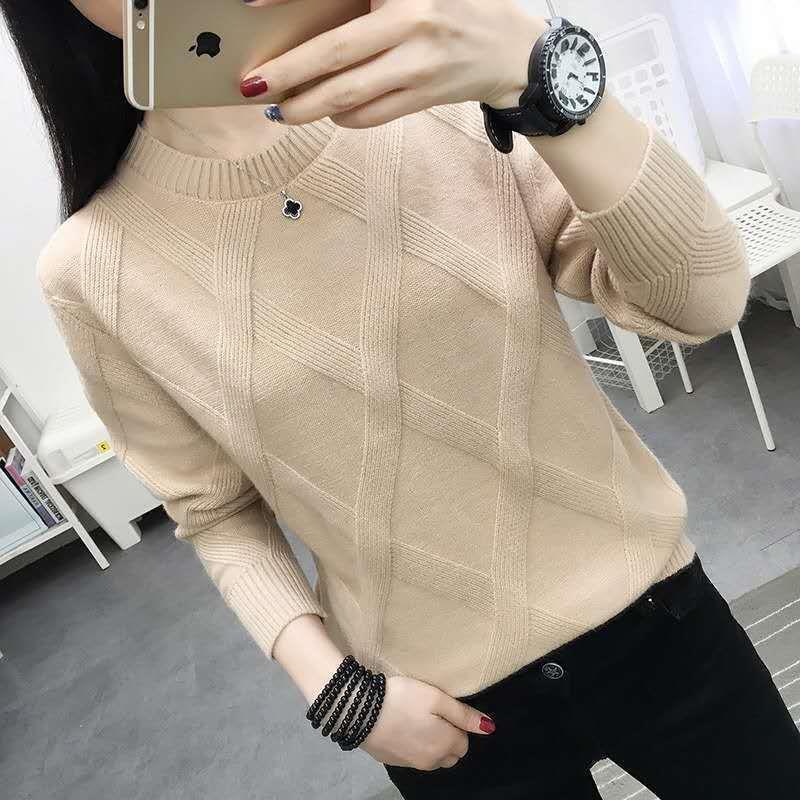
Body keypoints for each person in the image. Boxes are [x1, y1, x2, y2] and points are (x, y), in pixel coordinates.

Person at [4, 0, 799, 797]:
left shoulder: (441, 93)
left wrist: (541, 70)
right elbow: (215, 513)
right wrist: (336, 692)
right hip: (443, 713)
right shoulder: (91, 269)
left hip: (658, 619)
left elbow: (701, 301)